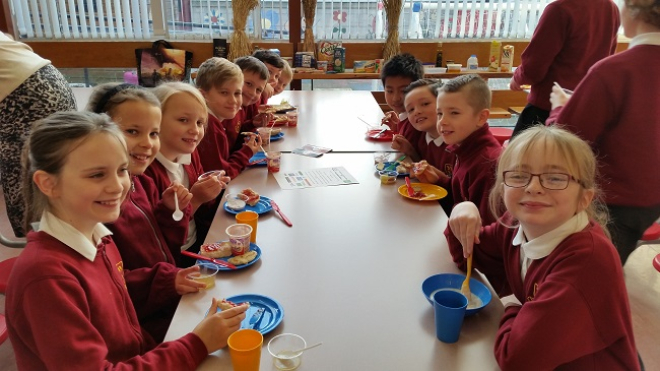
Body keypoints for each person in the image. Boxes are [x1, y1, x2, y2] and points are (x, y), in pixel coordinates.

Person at [6, 111, 248, 370]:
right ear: (48, 183)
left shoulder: (99, 238)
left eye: (122, 170)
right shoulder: (46, 278)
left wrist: (167, 281)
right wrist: (196, 344)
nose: (117, 186)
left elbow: (114, 298)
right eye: (97, 175)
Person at [445, 126, 640, 370]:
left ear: (585, 198)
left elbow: (518, 359)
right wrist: (463, 210)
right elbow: (467, 255)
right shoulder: (515, 226)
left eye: (555, 178)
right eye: (518, 175)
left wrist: (512, 303)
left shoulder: (586, 262)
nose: (534, 187)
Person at [546, 0, 660, 266]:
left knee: (587, 274)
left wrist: (558, 109)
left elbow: (564, 139)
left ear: (633, 10)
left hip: (609, 201)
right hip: (651, 199)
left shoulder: (614, 71)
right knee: (610, 265)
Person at [86, 83, 194, 341]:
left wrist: (168, 214)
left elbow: (165, 248)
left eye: (154, 133)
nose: (147, 144)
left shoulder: (140, 182)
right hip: (143, 321)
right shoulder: (99, 203)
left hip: (167, 302)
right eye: (133, 131)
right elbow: (109, 284)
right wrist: (167, 281)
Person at [0, 32, 77, 237]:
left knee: (29, 179)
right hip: (48, 80)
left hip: (25, 95)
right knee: (54, 168)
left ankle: (42, 248)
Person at [509, 0, 620, 138]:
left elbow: (535, 65)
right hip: (584, 108)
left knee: (517, 158)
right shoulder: (611, 8)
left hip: (546, 109)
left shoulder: (559, 9)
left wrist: (518, 78)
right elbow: (608, 56)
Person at [145, 82, 228, 265]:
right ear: (155, 120)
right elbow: (155, 234)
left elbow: (202, 210)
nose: (195, 130)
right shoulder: (145, 171)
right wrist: (197, 198)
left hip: (197, 243)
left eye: (200, 123)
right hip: (173, 258)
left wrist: (212, 189)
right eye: (184, 120)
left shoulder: (189, 153)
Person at [435, 74, 502, 223]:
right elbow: (460, 198)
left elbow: (486, 233)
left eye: (454, 113)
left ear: (481, 117)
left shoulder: (488, 164)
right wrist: (438, 180)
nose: (442, 121)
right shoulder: (463, 147)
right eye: (439, 113)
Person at [390, 79, 455, 214]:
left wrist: (439, 179)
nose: (417, 111)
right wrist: (410, 151)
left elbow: (460, 194)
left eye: (425, 104)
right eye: (411, 109)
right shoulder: (424, 138)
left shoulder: (457, 143)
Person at [195, 57, 261, 178]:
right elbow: (222, 176)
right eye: (224, 93)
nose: (233, 101)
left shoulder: (215, 118)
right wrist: (247, 152)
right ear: (203, 95)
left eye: (237, 93)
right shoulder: (209, 126)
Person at [223, 56, 270, 153]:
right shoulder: (224, 111)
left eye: (258, 90)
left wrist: (252, 123)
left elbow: (235, 137)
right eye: (248, 84)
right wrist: (246, 153)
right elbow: (221, 162)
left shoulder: (240, 109)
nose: (253, 93)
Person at [379, 53, 424, 149]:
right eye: (390, 91)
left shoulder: (417, 124)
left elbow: (417, 161)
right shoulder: (406, 118)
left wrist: (410, 152)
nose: (395, 98)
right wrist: (398, 127)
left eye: (403, 91)